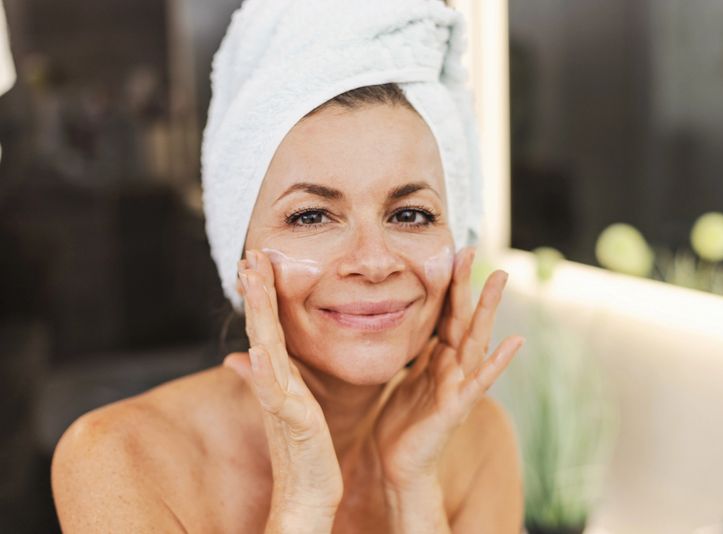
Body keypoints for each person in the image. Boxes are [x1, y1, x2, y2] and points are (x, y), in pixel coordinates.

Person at [51, 1, 526, 532]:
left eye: (410, 214)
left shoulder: (476, 441)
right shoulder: (119, 460)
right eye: (311, 216)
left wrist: (413, 488)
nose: (374, 262)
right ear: (240, 255)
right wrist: (303, 504)